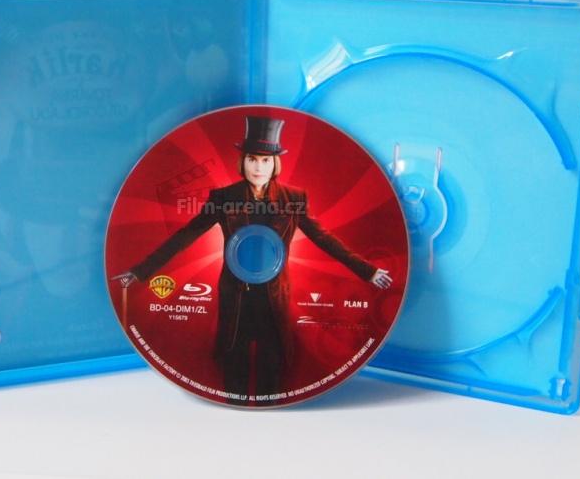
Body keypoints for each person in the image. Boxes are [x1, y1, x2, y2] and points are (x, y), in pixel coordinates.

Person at [112, 116, 391, 405]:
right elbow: (186, 235)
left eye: (266, 161)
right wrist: (140, 271)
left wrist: (367, 271)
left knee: (273, 365)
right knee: (234, 365)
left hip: (274, 298)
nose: (258, 168)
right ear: (243, 162)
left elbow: (324, 238)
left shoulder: (294, 199)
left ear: (275, 164)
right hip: (236, 298)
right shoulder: (224, 198)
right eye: (252, 159)